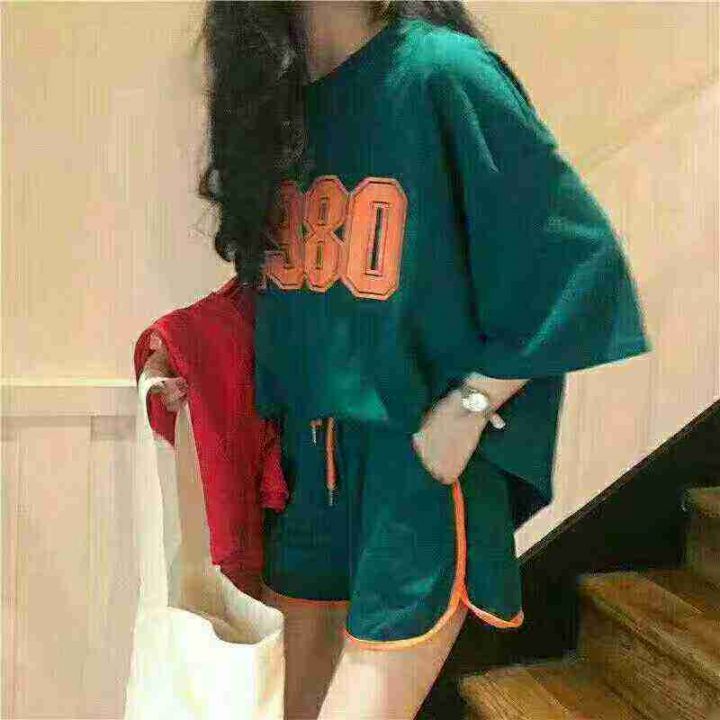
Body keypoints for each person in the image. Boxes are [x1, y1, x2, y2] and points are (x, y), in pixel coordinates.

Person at [148, 2, 651, 717]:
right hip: (308, 469)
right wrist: (195, 351)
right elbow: (305, 289)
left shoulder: (441, 74)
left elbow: (574, 259)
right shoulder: (274, 103)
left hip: (412, 466)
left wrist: (473, 404)